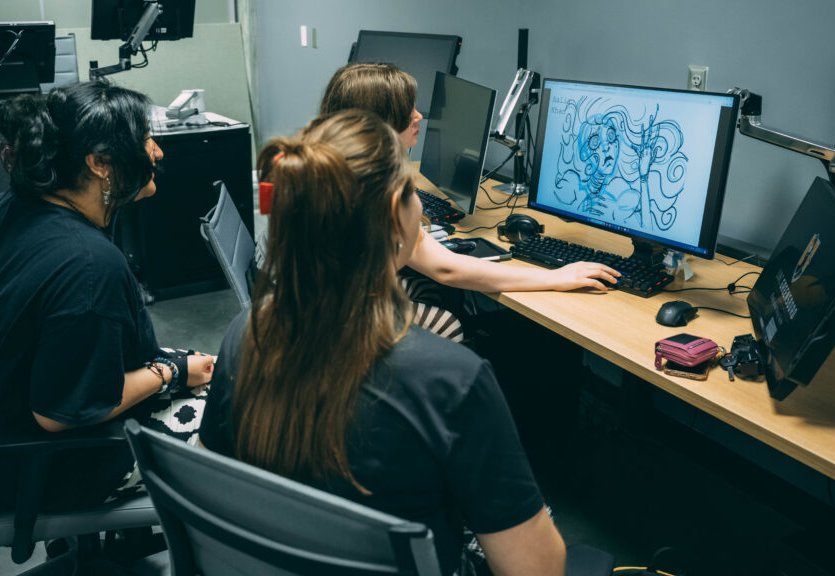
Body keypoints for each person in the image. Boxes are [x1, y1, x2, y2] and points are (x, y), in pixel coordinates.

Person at [199, 110, 567, 576]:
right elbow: (537, 570)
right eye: (414, 191)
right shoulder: (452, 379)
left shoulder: (247, 333)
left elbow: (212, 482)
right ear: (397, 214)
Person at [0, 81, 216, 511]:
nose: (157, 152)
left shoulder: (14, 205)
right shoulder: (89, 267)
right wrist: (170, 372)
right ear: (101, 163)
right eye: (145, 140)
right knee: (250, 422)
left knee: (225, 376)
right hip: (62, 467)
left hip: (7, 437)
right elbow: (60, 413)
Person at [319, 63, 621, 297]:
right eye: (407, 109)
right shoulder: (378, 196)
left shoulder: (333, 177)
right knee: (450, 324)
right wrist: (554, 277)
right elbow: (446, 268)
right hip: (354, 329)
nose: (418, 117)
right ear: (379, 121)